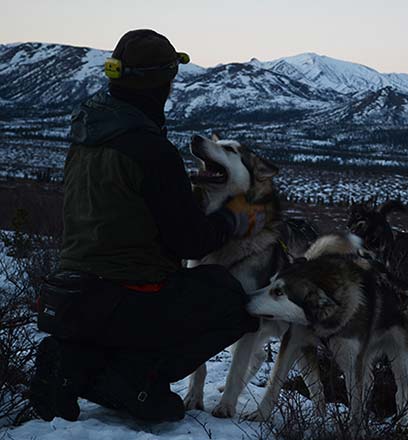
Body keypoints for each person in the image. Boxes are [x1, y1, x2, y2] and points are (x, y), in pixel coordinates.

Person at [29, 29, 262, 423]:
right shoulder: (149, 149)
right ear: (161, 83)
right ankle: (134, 379)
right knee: (231, 298)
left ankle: (75, 360)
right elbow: (190, 241)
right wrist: (234, 217)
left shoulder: (86, 136)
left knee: (142, 303)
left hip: (70, 294)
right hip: (128, 295)